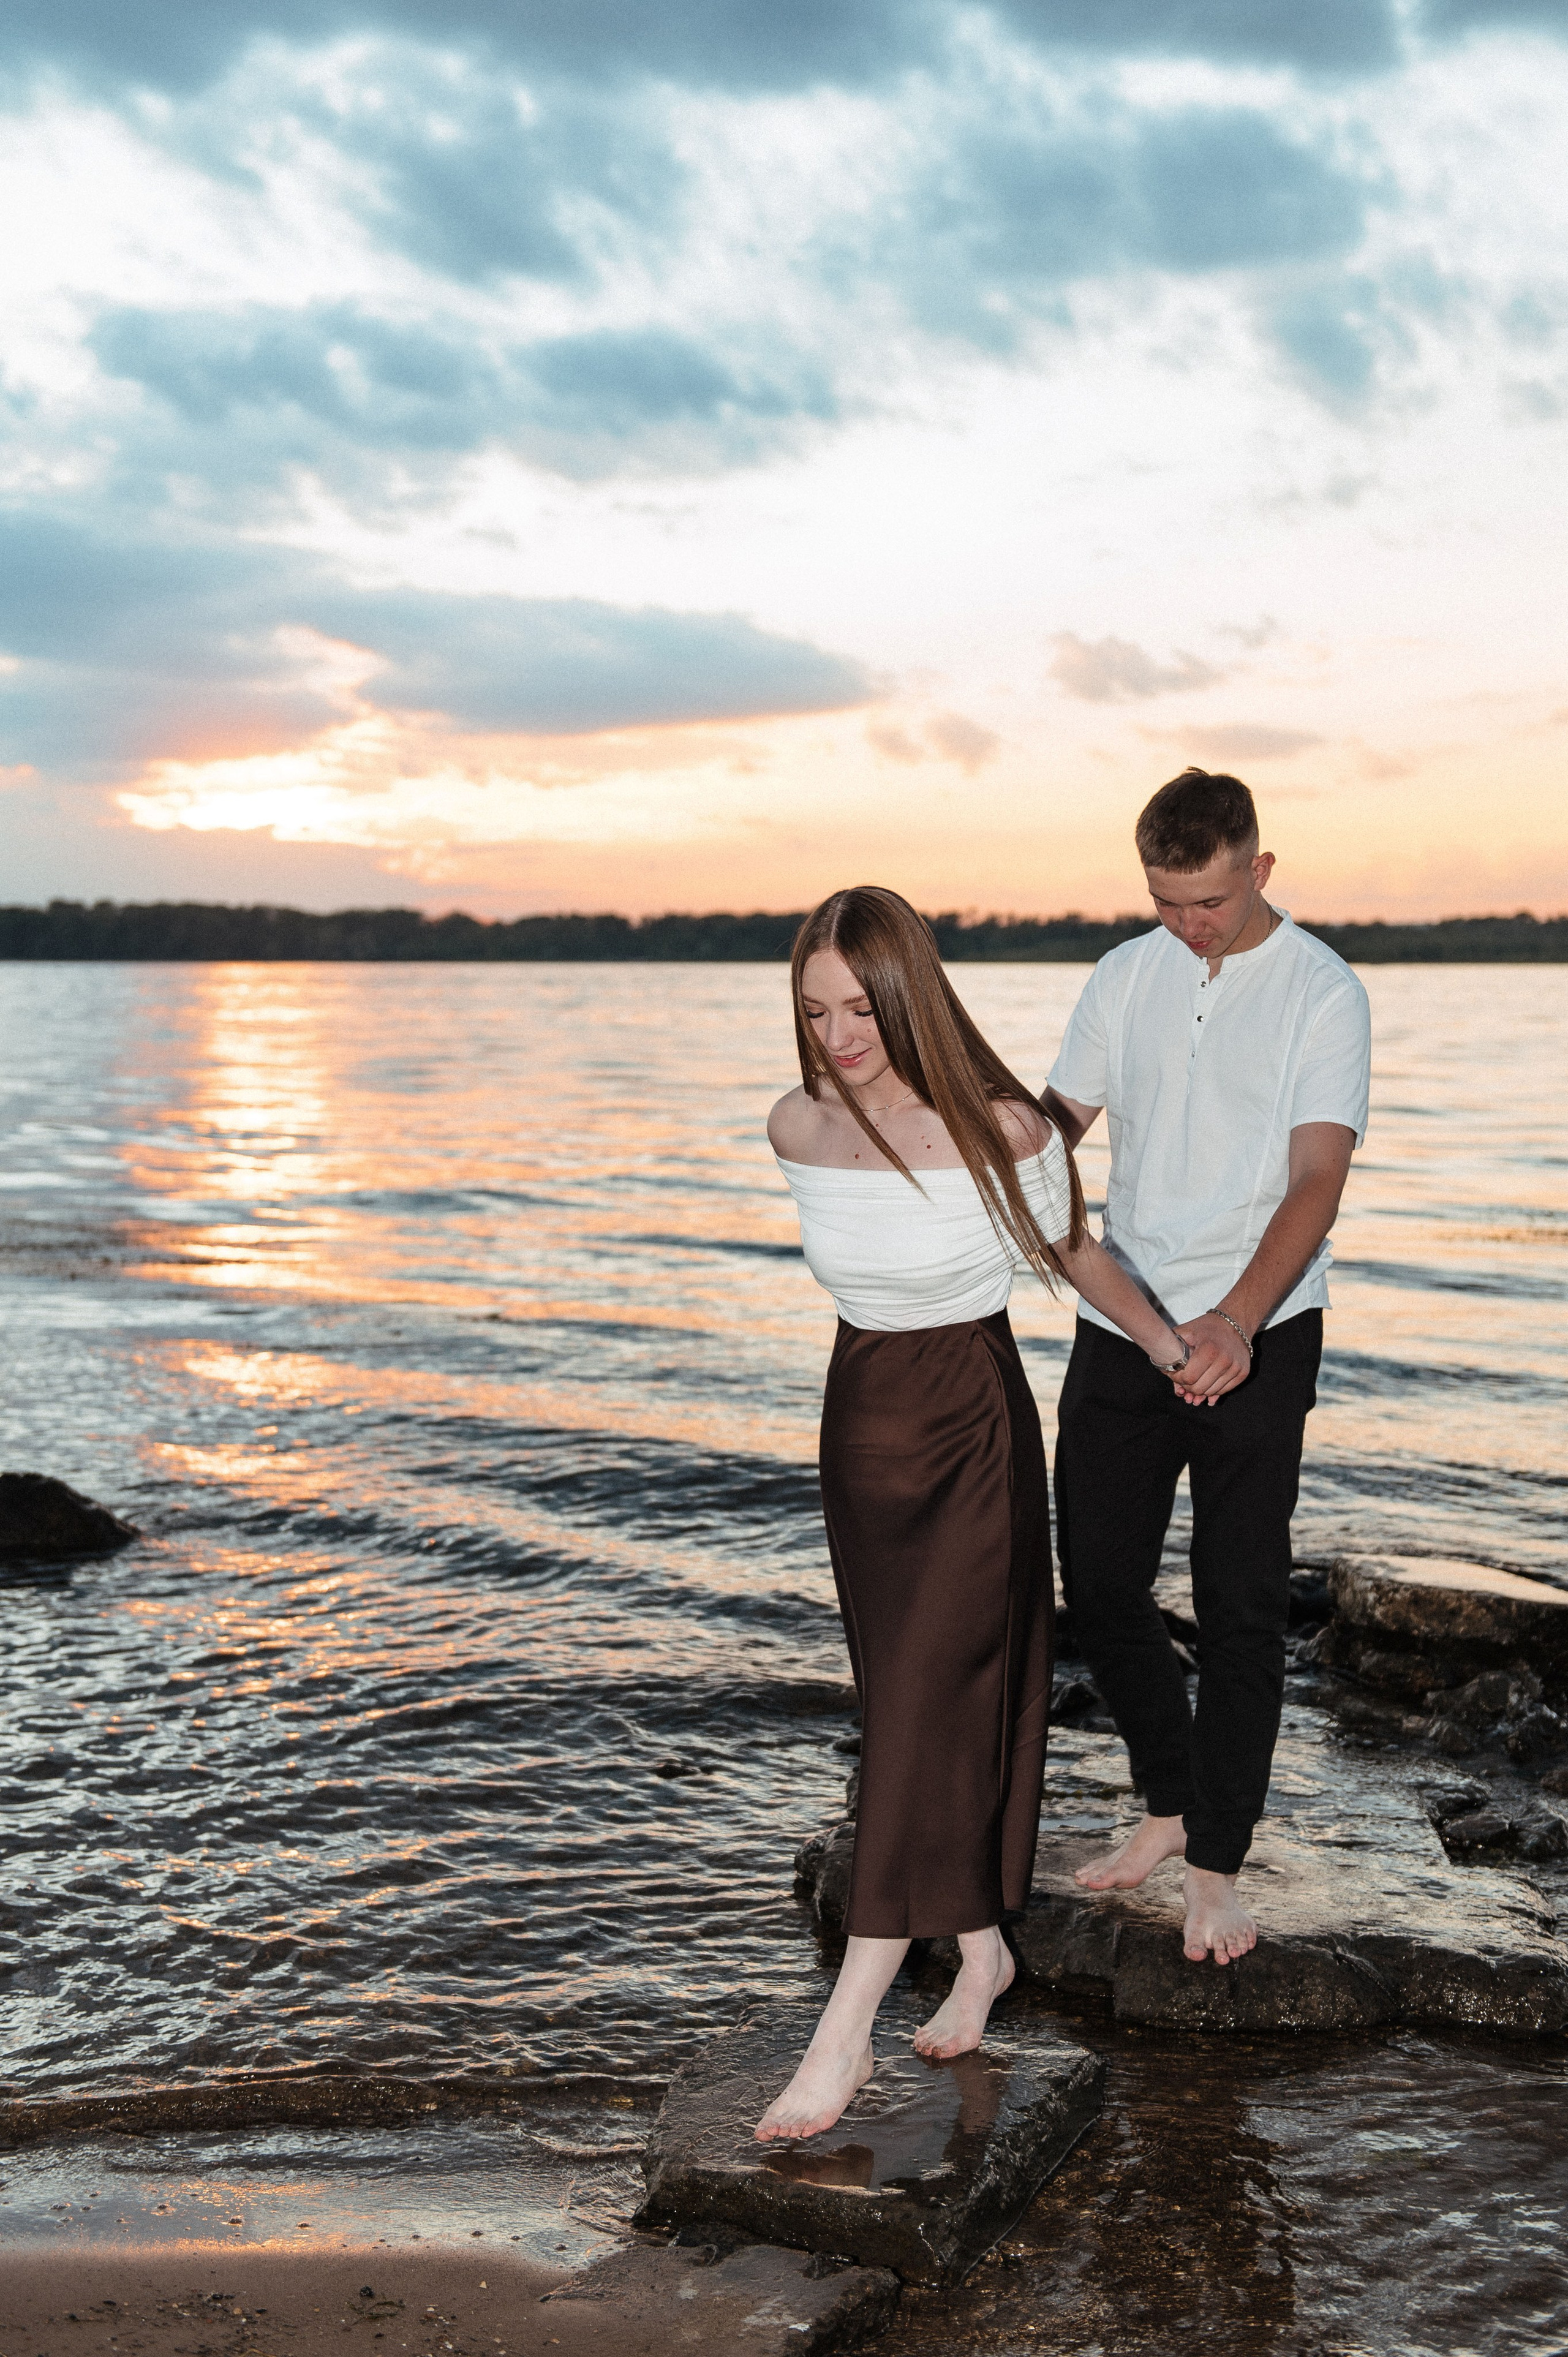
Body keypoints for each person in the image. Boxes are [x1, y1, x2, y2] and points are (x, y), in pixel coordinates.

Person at [757, 884, 1200, 2143]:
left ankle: (845, 2021)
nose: (837, 1033)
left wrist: (1172, 1345)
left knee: (924, 1706)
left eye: (859, 1005)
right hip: (859, 1430)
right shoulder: (793, 1125)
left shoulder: (1006, 1130)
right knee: (905, 1700)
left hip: (968, 1425)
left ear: (908, 992)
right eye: (813, 1009)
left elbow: (1076, 1257)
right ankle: (980, 1950)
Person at [1042, 767, 1371, 1968]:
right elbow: (1049, 1129)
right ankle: (1168, 1804)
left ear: (1258, 870)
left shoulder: (1320, 991)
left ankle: (1216, 1869)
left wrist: (1235, 1321)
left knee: (1239, 1602)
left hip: (1264, 1327)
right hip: (1126, 1318)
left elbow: (1314, 1180)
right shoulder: (1121, 976)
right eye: (1167, 901)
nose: (1190, 925)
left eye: (1212, 902)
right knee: (1101, 1583)